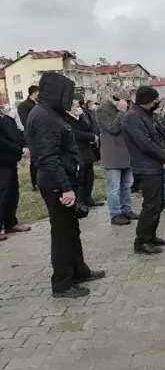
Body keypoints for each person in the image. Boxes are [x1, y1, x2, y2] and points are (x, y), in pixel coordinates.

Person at [26, 72, 105, 298]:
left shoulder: (52, 113)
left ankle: (79, 271)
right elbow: (48, 158)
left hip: (63, 181)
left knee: (71, 230)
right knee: (62, 234)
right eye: (67, 94)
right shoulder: (44, 117)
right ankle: (61, 283)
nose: (71, 100)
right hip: (55, 184)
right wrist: (66, 188)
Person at [122, 86, 165, 255]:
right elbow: (145, 143)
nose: (158, 102)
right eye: (156, 99)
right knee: (150, 205)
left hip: (154, 165)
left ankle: (151, 235)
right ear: (148, 101)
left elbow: (155, 139)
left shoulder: (144, 114)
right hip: (145, 167)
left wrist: (162, 159)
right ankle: (141, 241)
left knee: (157, 204)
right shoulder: (133, 117)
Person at [97, 88, 138, 226]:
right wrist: (121, 112)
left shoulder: (127, 110)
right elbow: (113, 129)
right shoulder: (103, 110)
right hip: (112, 154)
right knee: (114, 187)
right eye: (123, 101)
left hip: (127, 153)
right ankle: (115, 214)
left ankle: (126, 209)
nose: (126, 103)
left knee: (127, 185)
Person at [0, 95, 31, 242]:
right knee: (2, 193)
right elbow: (2, 142)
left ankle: (11, 223)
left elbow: (20, 132)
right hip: (2, 162)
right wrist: (19, 150)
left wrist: (25, 146)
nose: (4, 100)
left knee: (13, 192)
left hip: (11, 161)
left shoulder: (6, 118)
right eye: (1, 98)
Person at [65, 95, 103, 208]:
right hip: (78, 152)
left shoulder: (80, 118)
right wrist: (91, 137)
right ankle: (80, 201)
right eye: (76, 106)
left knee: (89, 177)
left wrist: (81, 117)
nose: (79, 108)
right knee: (80, 178)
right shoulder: (66, 119)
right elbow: (75, 134)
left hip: (87, 152)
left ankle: (88, 198)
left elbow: (88, 127)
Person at [18, 85, 39, 191]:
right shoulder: (24, 105)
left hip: (41, 135)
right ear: (34, 93)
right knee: (35, 160)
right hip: (32, 136)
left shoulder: (38, 104)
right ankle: (35, 184)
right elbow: (25, 122)